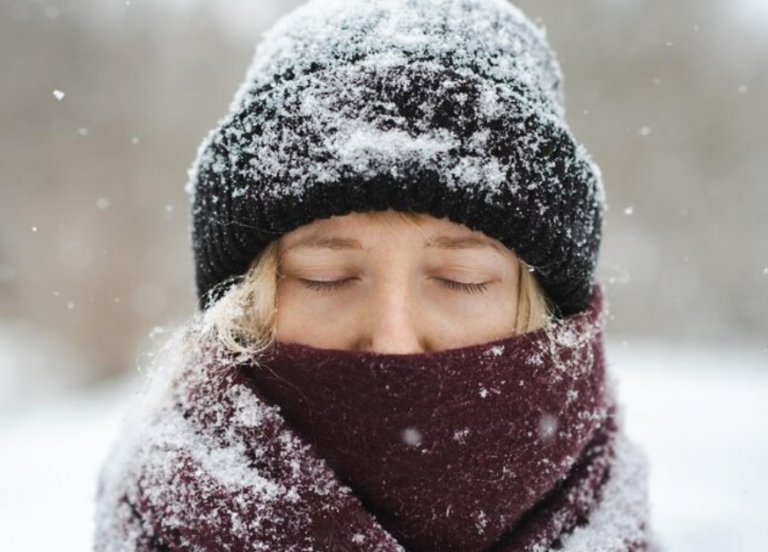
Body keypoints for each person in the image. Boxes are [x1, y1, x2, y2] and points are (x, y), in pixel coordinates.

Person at [94, 0, 657, 550]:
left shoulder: (610, 512)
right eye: (326, 276)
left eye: (460, 278)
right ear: (244, 302)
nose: (392, 344)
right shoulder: (159, 518)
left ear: (543, 310)